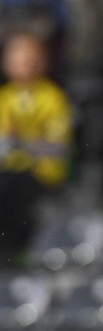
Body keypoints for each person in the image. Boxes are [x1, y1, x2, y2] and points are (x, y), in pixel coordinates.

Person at [0, 25, 73, 264]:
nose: (25, 65)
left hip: (42, 171)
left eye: (31, 59)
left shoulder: (52, 98)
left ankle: (18, 249)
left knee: (13, 192)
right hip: (9, 169)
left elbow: (59, 145)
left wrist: (23, 144)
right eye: (18, 60)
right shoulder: (5, 98)